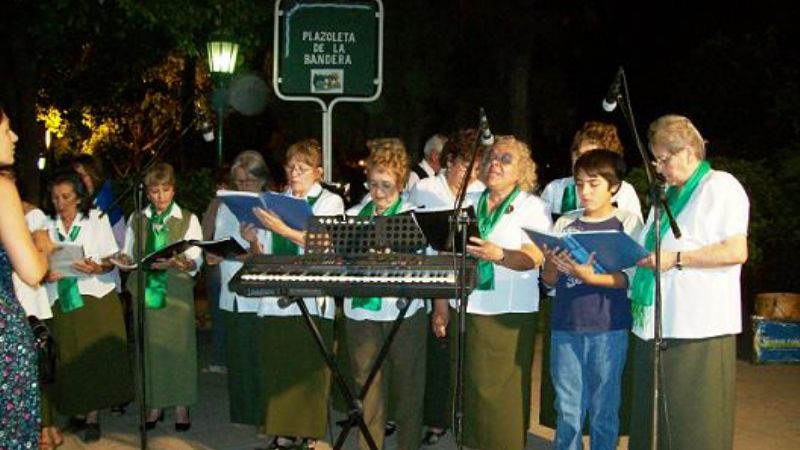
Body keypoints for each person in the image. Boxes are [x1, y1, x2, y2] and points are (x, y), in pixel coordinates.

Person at [628, 115, 749, 450]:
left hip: (699, 325)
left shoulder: (720, 186)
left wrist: (676, 259)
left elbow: (736, 250)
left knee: (695, 424)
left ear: (687, 151)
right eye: (656, 161)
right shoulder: (665, 195)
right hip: (657, 323)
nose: (659, 169)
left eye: (663, 159)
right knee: (656, 423)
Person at [432, 135, 551, 450]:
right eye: (490, 159)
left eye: (505, 159)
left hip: (507, 313)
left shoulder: (533, 207)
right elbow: (446, 253)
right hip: (464, 306)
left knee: (502, 393)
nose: (494, 164)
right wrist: (441, 305)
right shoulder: (467, 201)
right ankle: (469, 442)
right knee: (467, 384)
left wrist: (499, 255)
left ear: (522, 170)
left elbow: (534, 257)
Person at [539, 149, 642, 450]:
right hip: (566, 324)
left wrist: (590, 277)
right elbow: (548, 282)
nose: (585, 192)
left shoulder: (626, 222)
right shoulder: (565, 223)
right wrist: (550, 262)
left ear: (614, 186)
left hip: (609, 325)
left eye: (594, 184)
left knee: (604, 405)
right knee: (567, 406)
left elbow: (630, 278)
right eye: (579, 184)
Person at [251, 138, 345, 449]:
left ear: (318, 172)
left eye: (302, 168)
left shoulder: (330, 202)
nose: (294, 174)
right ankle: (283, 431)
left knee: (309, 368)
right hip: (275, 295)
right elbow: (262, 252)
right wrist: (251, 238)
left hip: (312, 296)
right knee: (279, 365)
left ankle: (309, 434)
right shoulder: (275, 201)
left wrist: (283, 229)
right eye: (290, 167)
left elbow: (324, 245)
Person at [344, 138, 427, 450]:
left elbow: (427, 261)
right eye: (373, 184)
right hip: (361, 310)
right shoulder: (354, 215)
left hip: (403, 309)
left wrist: (399, 256)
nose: (378, 193)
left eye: (386, 186)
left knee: (408, 386)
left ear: (401, 185)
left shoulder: (413, 216)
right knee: (366, 386)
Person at [42, 169, 133, 442]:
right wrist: (46, 273)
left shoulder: (96, 219)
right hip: (60, 297)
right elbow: (38, 260)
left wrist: (96, 267)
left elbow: (110, 259)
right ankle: (77, 410)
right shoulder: (46, 224)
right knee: (70, 356)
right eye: (55, 197)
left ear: (79, 197)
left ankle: (93, 415)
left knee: (94, 357)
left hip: (94, 295)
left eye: (66, 197)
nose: (60, 203)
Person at [407, 129, 485, 445]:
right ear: (449, 161)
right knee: (439, 355)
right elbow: (423, 242)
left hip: (473, 285)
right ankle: (437, 421)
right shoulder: (425, 189)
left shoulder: (481, 191)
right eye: (466, 165)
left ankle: (467, 421)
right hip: (436, 281)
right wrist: (440, 302)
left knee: (469, 358)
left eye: (477, 167)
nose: (472, 174)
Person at [117, 162, 202, 431]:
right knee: (150, 349)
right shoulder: (137, 218)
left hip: (176, 291)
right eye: (154, 191)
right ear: (146, 192)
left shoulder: (187, 218)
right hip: (146, 289)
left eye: (165, 190)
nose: (160, 196)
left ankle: (181, 405)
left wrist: (182, 262)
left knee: (180, 348)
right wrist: (123, 259)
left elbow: (195, 257)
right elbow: (128, 252)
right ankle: (154, 404)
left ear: (173, 190)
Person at [0, 103, 52, 450]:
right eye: (6, 129)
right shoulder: (2, 189)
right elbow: (32, 271)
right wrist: (41, 246)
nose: (15, 136)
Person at [211, 150, 272, 427]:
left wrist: (247, 248)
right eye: (238, 181)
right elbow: (221, 241)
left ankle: (263, 415)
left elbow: (265, 254)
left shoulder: (270, 206)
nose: (243, 186)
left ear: (261, 179)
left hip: (259, 293)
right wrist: (213, 254)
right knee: (237, 355)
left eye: (248, 180)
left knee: (259, 355)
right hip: (231, 288)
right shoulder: (226, 206)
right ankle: (243, 412)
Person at [540, 121, 642, 221]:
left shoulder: (624, 192)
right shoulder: (555, 189)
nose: (582, 162)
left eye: (592, 157)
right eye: (579, 155)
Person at [200, 165, 231, 375]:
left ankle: (220, 359)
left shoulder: (218, 203)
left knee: (219, 314)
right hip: (226, 262)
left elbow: (205, 232)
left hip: (217, 263)